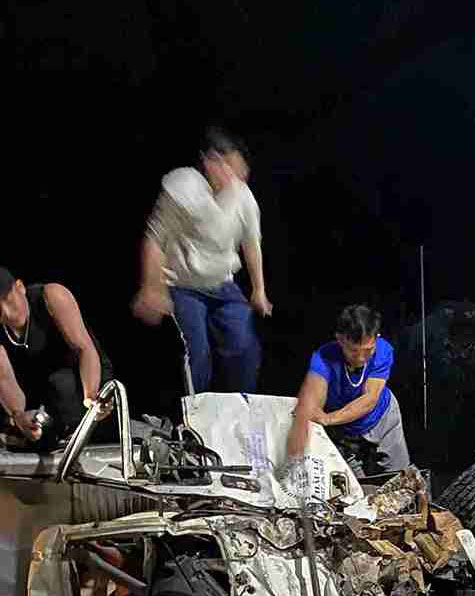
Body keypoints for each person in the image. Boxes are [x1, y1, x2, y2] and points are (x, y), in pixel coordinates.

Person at [132, 127, 273, 394]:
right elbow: (155, 239)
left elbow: (251, 243)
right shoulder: (183, 186)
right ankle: (194, 408)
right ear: (211, 162)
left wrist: (259, 290)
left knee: (244, 345)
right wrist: (152, 287)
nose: (235, 178)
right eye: (230, 168)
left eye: (240, 171)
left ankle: (239, 405)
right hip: (183, 285)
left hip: (222, 284)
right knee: (196, 350)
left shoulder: (243, 196)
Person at [286, 304, 409, 473]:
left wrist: (328, 419)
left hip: (382, 418)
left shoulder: (383, 350)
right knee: (351, 481)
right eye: (353, 351)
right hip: (343, 430)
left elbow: (370, 399)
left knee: (398, 476)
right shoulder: (323, 358)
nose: (361, 358)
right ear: (340, 339)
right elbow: (313, 400)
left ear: (376, 338)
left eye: (368, 350)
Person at [0, 268, 114, 450]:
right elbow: (4, 379)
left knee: (61, 383)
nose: (7, 313)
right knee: (19, 422)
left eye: (8, 299)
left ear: (20, 287)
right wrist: (19, 416)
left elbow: (84, 349)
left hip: (85, 378)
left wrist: (91, 396)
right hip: (43, 389)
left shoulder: (51, 295)